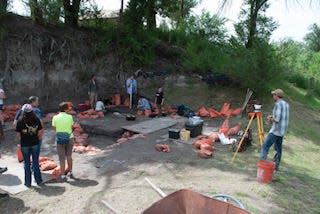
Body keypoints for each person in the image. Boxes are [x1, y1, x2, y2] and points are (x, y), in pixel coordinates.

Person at [259, 89, 289, 171]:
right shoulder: (286, 104)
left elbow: (277, 119)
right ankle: (276, 166)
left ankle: (261, 166)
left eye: (274, 95)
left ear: (276, 96)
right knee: (279, 149)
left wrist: (270, 118)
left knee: (265, 146)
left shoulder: (278, 104)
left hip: (276, 131)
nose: (273, 96)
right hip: (282, 131)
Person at [15, 104, 44, 187]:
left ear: (23, 112)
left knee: (27, 163)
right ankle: (39, 181)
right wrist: (36, 138)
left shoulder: (20, 121)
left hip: (24, 145)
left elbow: (18, 134)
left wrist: (24, 138)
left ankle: (28, 183)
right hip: (35, 144)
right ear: (32, 111)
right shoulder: (36, 119)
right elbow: (40, 132)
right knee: (35, 162)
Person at [52, 102, 74, 181]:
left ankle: (62, 175)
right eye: (68, 108)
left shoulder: (55, 117)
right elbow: (72, 127)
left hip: (60, 139)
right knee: (69, 156)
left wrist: (60, 132)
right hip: (70, 138)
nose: (69, 109)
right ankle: (70, 171)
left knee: (61, 158)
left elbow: (54, 128)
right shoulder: (70, 117)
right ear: (65, 109)